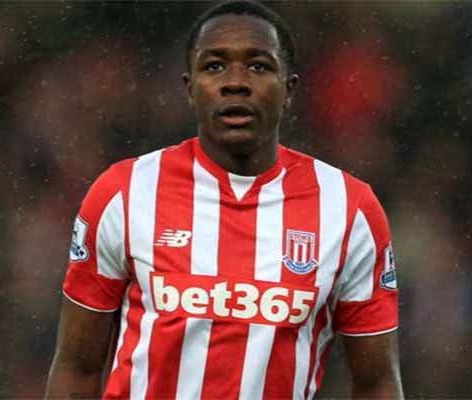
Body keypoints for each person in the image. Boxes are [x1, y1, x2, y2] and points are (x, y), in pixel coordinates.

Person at [45, 1, 403, 398]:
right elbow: (77, 366)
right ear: (189, 88)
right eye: (214, 66)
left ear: (289, 89)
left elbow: (377, 383)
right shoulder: (123, 193)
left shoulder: (349, 209)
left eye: (258, 66)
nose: (236, 82)